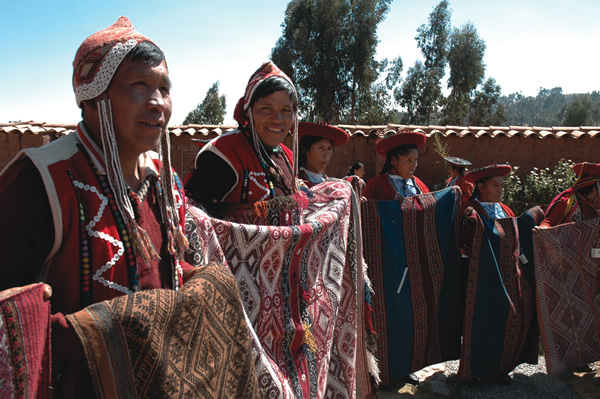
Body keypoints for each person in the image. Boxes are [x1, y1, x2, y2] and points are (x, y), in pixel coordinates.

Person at [0, 17, 256, 396]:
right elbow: (11, 322)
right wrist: (113, 331)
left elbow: (170, 268)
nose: (158, 103)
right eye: (139, 85)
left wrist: (202, 285)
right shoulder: (40, 179)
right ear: (93, 96)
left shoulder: (163, 180)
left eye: (164, 89)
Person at [185, 61, 298, 210]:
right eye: (266, 108)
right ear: (247, 111)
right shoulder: (224, 153)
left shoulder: (289, 158)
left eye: (286, 110)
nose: (277, 119)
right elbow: (191, 215)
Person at [363, 129, 429, 200]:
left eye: (415, 160)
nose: (414, 165)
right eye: (409, 160)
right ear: (393, 161)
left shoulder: (420, 186)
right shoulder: (376, 185)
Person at [540, 162, 600, 228]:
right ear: (594, 189)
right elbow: (547, 223)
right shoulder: (567, 202)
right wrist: (544, 228)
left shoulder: (596, 208)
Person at [297, 121, 349, 187]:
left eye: (329, 148)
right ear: (304, 149)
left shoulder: (330, 183)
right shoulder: (295, 181)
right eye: (320, 148)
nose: (326, 154)